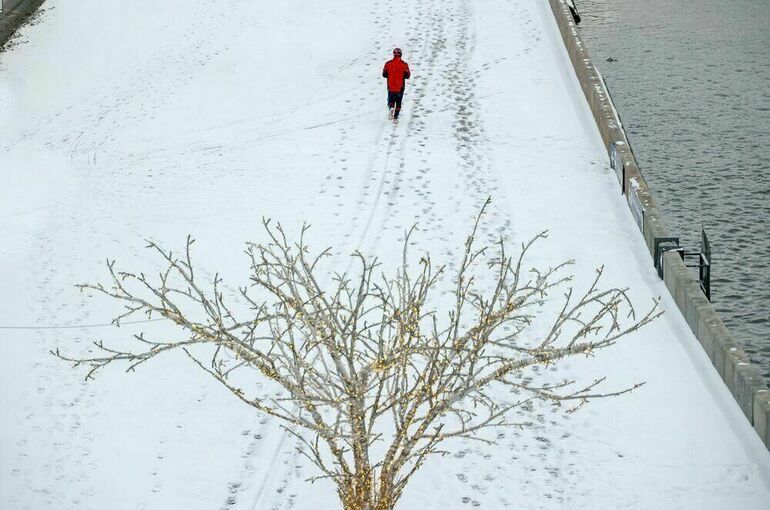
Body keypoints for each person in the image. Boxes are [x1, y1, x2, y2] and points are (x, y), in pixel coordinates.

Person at [382, 48, 411, 120]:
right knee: (398, 102)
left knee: (390, 100)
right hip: (400, 86)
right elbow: (407, 76)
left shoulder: (388, 63)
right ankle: (395, 117)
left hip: (391, 86)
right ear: (401, 54)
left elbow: (384, 74)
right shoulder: (404, 64)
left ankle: (391, 108)